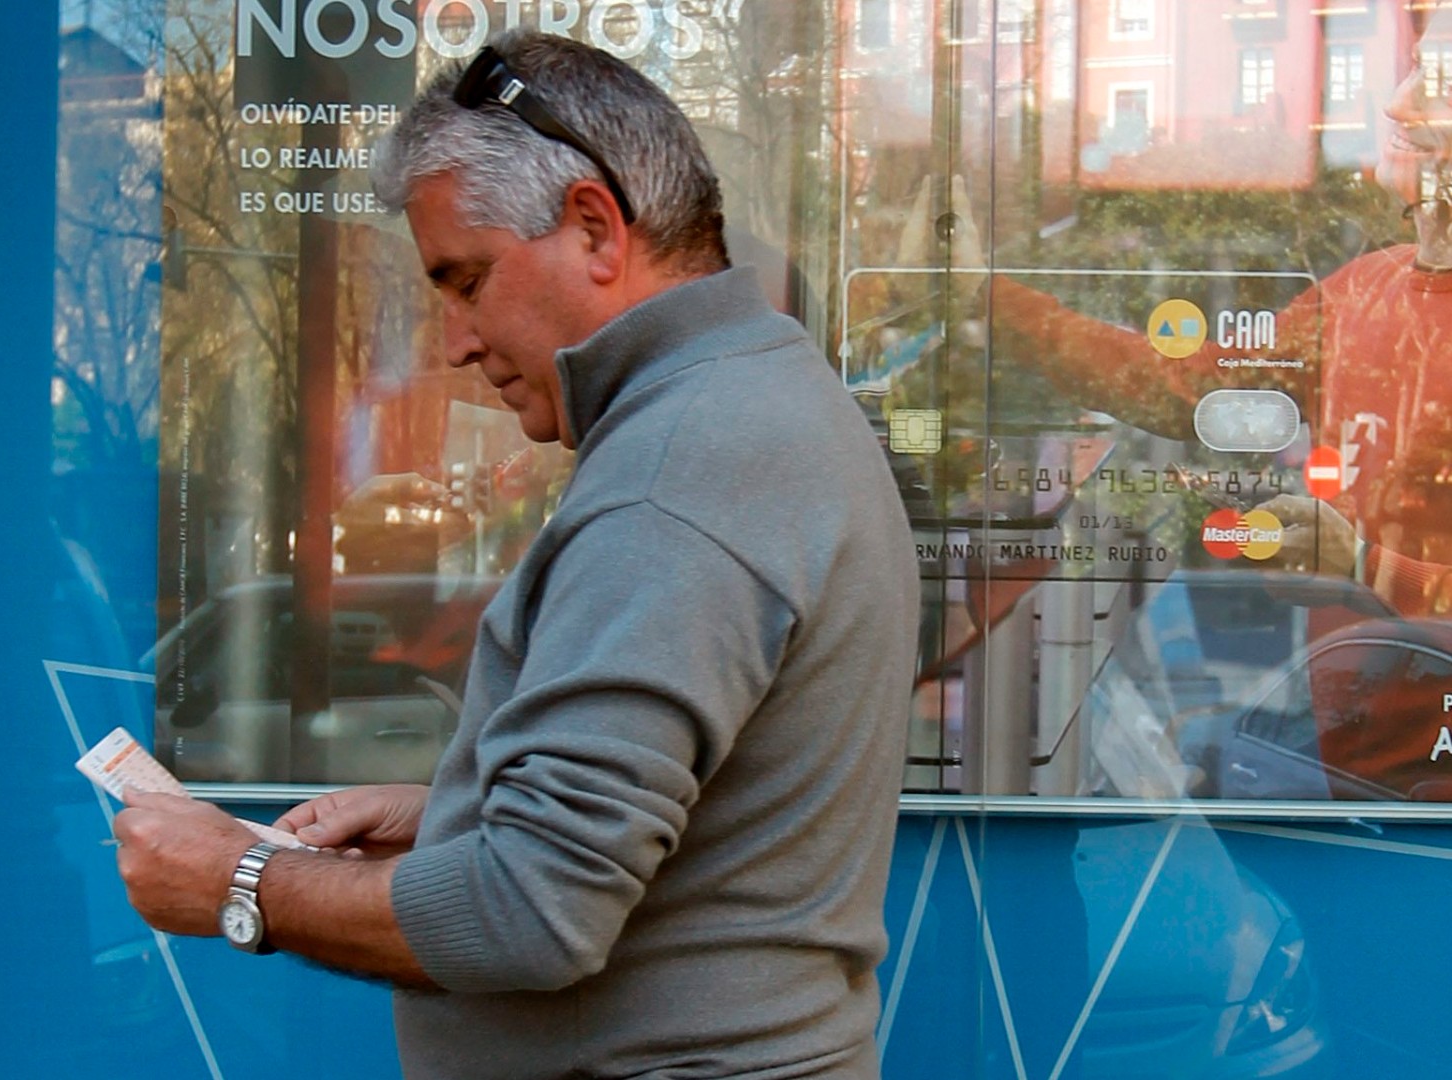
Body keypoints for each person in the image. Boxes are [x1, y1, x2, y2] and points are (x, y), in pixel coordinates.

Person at [112, 29, 920, 1079]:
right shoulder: (759, 399)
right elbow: (714, 828)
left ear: (594, 228)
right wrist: (458, 817)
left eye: (467, 280)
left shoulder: (677, 470)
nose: (454, 341)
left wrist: (242, 880)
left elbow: (532, 914)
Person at [909, 3, 1452, 618]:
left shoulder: (1367, 293)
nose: (1398, 104)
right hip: (1342, 675)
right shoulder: (1363, 291)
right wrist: (981, 294)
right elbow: (1179, 386)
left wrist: (1362, 565)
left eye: (1441, 85)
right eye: (1416, 69)